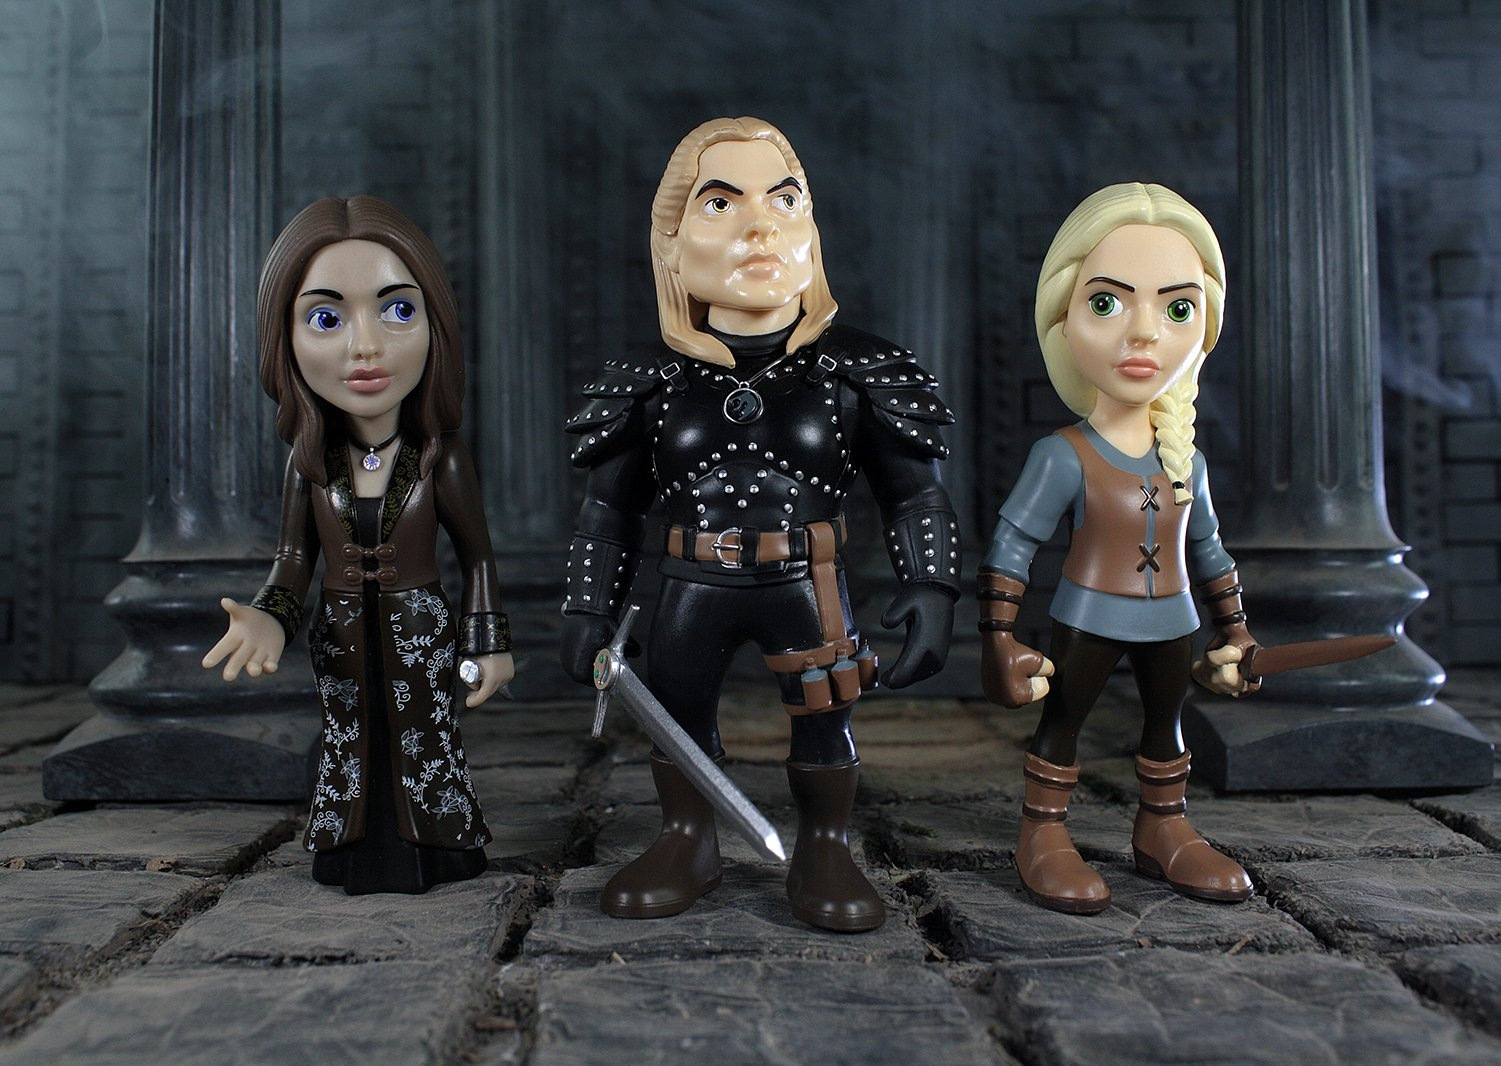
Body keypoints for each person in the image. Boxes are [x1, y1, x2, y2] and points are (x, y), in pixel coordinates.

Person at [561, 117, 960, 932]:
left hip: (807, 581)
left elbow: (914, 494)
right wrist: (587, 606)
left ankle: (825, 845)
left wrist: (931, 584)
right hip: (690, 584)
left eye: (783, 199)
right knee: (677, 714)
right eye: (720, 202)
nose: (759, 225)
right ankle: (686, 838)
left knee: (824, 713)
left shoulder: (856, 370)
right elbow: (608, 509)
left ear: (809, 229)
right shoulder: (650, 380)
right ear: (671, 244)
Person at [203, 195, 513, 895]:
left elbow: (478, 557)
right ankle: (347, 846)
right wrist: (270, 615)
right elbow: (293, 560)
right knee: (350, 736)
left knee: (424, 736)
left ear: (436, 326)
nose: (365, 346)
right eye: (326, 318)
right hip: (339, 632)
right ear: (284, 339)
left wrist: (487, 641)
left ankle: (438, 844)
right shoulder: (310, 462)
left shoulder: (441, 459)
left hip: (420, 632)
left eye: (397, 310)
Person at [979, 182, 1257, 915]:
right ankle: (1042, 832)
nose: (1143, 335)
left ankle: (1164, 826)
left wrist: (1234, 630)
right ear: (1062, 317)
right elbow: (1014, 540)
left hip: (1172, 620)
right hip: (1089, 616)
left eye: (1176, 309)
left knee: (1166, 724)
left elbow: (1207, 547)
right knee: (1062, 721)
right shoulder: (1063, 455)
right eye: (1106, 303)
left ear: (1204, 325)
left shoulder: (1186, 460)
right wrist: (999, 637)